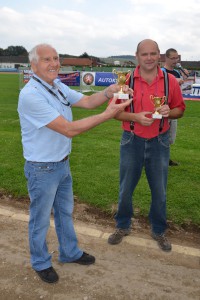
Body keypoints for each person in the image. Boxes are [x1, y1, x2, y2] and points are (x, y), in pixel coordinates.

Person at [17, 43, 132, 284]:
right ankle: (40, 261)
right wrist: (107, 115)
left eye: (56, 58)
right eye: (47, 59)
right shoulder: (31, 95)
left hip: (61, 165)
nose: (54, 63)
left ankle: (69, 252)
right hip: (42, 168)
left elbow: (88, 102)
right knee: (39, 220)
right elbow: (68, 129)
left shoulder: (56, 85)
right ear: (34, 66)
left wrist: (110, 91)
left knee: (64, 213)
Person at [107, 39, 185, 252]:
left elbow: (180, 109)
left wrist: (170, 111)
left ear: (159, 55)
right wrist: (135, 117)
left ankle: (158, 230)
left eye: (153, 53)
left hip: (160, 141)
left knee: (159, 191)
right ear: (137, 56)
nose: (149, 58)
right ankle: (122, 226)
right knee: (125, 189)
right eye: (144, 54)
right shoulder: (125, 81)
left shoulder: (170, 81)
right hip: (132, 139)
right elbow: (114, 113)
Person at [162, 48, 189, 166]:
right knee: (161, 134)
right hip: (162, 107)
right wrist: (173, 80)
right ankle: (158, 159)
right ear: (166, 58)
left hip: (174, 108)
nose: (175, 60)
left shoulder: (177, 72)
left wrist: (184, 79)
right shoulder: (161, 71)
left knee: (170, 137)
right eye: (172, 58)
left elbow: (178, 89)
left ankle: (165, 158)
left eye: (176, 58)